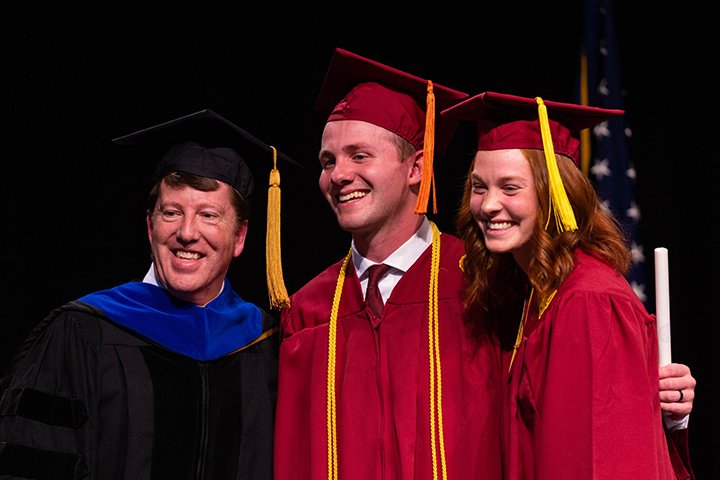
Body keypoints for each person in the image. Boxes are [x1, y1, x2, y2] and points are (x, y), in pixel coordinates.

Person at [0, 109, 297, 479]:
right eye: (171, 213)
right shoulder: (82, 333)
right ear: (149, 225)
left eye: (208, 215)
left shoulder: (268, 345)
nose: (187, 233)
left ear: (239, 237)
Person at [273, 48, 506, 480]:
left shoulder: (484, 281)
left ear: (417, 167)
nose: (338, 174)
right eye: (328, 161)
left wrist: (669, 401)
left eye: (359, 156)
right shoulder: (307, 312)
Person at [444, 91, 695, 479]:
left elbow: (602, 461)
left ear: (555, 194)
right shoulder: (536, 292)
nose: (489, 204)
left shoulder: (589, 302)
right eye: (479, 187)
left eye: (510, 188)